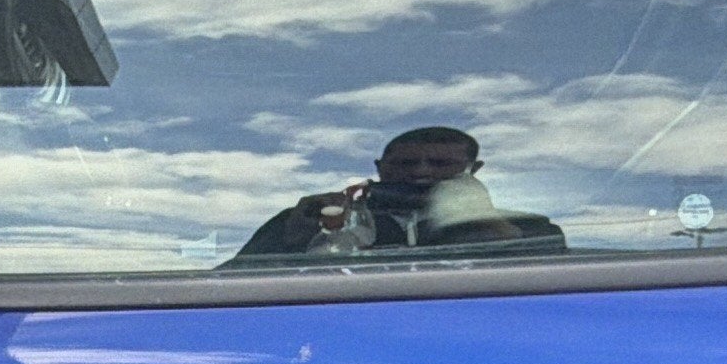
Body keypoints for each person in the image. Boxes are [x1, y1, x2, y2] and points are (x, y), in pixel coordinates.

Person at [230, 125, 565, 264]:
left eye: (439, 163)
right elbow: (229, 284)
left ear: (472, 169)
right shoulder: (315, 218)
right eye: (406, 163)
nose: (422, 172)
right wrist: (291, 239)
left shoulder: (533, 229)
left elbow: (559, 297)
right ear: (380, 167)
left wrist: (481, 220)